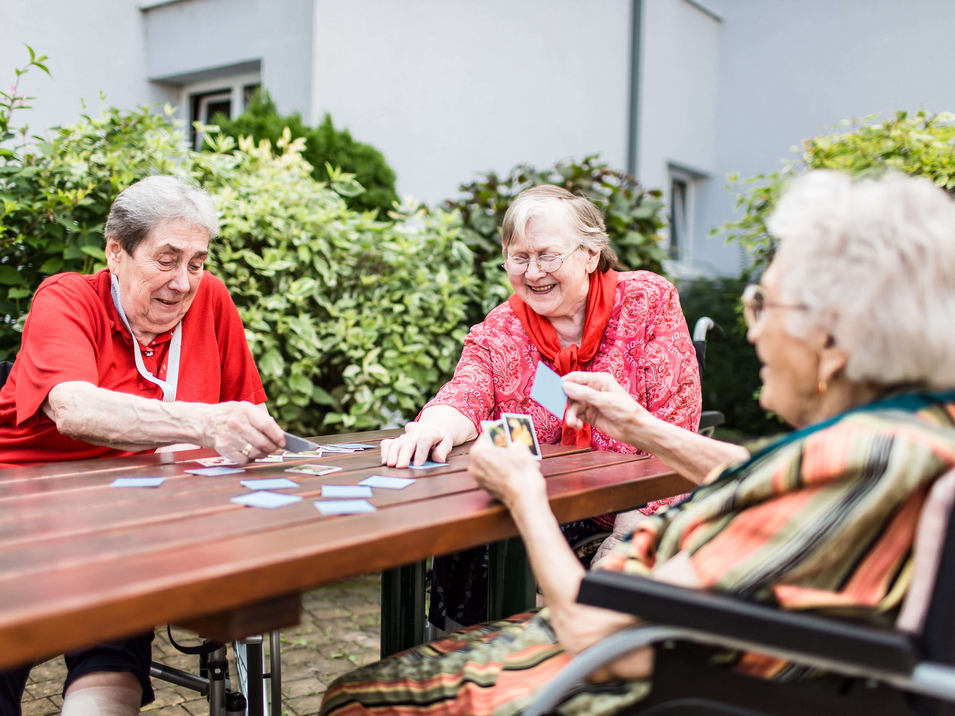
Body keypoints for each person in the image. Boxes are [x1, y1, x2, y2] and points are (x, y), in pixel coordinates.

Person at [321, 171, 955, 716]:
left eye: (765, 305)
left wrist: (523, 493)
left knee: (354, 695)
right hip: (671, 634)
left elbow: (591, 628)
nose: (754, 332)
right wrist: (637, 424)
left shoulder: (863, 458)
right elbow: (763, 472)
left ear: (834, 342)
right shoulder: (904, 435)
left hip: (632, 674)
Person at [0, 176, 286, 715]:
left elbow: (249, 419)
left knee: (111, 661)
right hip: (23, 511)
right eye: (167, 259)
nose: (183, 282)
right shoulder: (65, 298)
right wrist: (203, 424)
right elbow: (74, 410)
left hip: (125, 524)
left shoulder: (212, 301)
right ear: (116, 252)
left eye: (196, 263)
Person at [380, 185, 701, 629]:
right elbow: (467, 390)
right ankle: (475, 658)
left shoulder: (645, 302)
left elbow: (676, 418)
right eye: (519, 257)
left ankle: (555, 664)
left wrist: (634, 525)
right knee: (467, 532)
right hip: (540, 501)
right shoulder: (505, 324)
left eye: (548, 256)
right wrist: (432, 427)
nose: (533, 272)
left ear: (590, 254)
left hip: (632, 502)